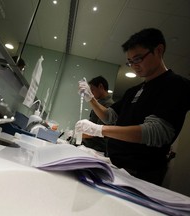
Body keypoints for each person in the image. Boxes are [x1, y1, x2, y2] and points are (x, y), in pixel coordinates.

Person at [76, 28, 190, 185]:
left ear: (158, 50)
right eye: (130, 62)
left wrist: (100, 130)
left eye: (138, 59)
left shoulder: (175, 85)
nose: (134, 66)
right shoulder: (133, 91)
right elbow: (110, 116)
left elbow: (155, 131)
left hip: (140, 174)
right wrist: (90, 98)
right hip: (116, 166)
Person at [81, 76, 114, 154]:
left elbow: (99, 131)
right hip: (89, 146)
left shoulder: (109, 104)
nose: (91, 93)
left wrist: (78, 134)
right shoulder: (99, 103)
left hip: (96, 149)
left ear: (100, 87)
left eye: (92, 90)